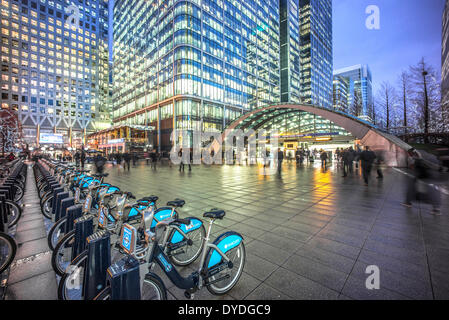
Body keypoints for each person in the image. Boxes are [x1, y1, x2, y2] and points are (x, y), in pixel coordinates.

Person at [402, 149, 441, 214]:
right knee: (431, 187)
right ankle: (436, 208)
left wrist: (416, 172)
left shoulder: (416, 155)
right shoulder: (421, 153)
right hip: (431, 170)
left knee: (430, 188)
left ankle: (408, 202)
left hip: (429, 171)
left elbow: (416, 165)